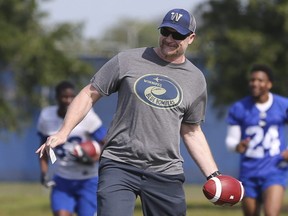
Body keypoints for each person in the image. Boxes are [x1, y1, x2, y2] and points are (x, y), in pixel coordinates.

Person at [37, 9, 221, 216]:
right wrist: (63, 132)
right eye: (165, 31)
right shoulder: (127, 60)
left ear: (191, 38)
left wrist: (213, 175)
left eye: (177, 35)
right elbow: (89, 93)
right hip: (119, 164)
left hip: (165, 171)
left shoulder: (195, 79)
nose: (169, 39)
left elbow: (191, 131)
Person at [225, 64, 288, 216]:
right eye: (252, 80)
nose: (255, 83)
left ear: (269, 84)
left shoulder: (282, 105)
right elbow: (231, 141)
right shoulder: (239, 107)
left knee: (271, 213)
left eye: (260, 80)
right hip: (249, 170)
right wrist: (237, 146)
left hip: (275, 168)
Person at [37, 80, 107, 216]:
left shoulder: (87, 116)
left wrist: (93, 156)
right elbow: (42, 148)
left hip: (88, 180)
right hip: (63, 177)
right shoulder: (47, 116)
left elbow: (106, 143)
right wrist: (44, 172)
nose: (68, 100)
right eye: (64, 96)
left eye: (72, 97)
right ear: (57, 97)